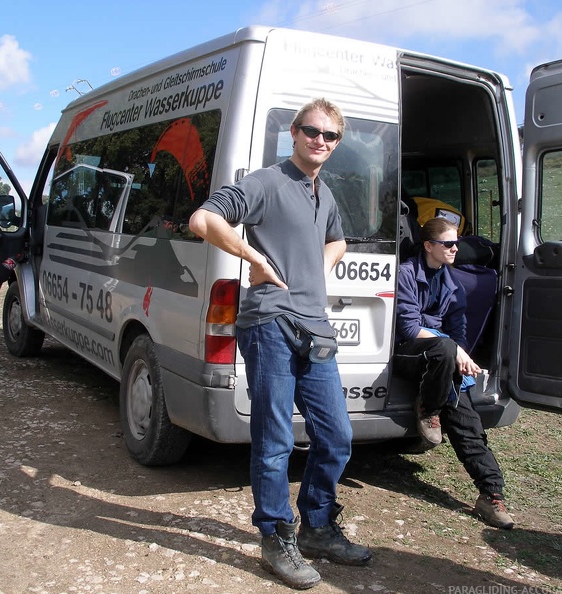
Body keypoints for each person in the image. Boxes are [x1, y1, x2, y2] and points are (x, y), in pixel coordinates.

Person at [189, 98, 371, 589]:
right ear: (294, 132)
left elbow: (339, 241)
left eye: (331, 136)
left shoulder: (324, 194)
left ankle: (316, 527)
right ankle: (275, 536)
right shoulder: (268, 182)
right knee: (275, 440)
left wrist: (317, 269)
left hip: (316, 328)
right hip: (269, 323)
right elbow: (203, 221)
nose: (321, 141)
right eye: (312, 131)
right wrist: (255, 258)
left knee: (336, 437)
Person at [392, 217, 515, 530]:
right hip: (409, 352)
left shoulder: (452, 283)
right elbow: (407, 328)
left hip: (443, 361)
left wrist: (459, 356)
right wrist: (454, 350)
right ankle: (428, 408)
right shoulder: (407, 273)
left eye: (456, 243)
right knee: (446, 351)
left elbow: (458, 329)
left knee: (469, 425)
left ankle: (491, 494)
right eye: (448, 243)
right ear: (429, 245)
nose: (455, 248)